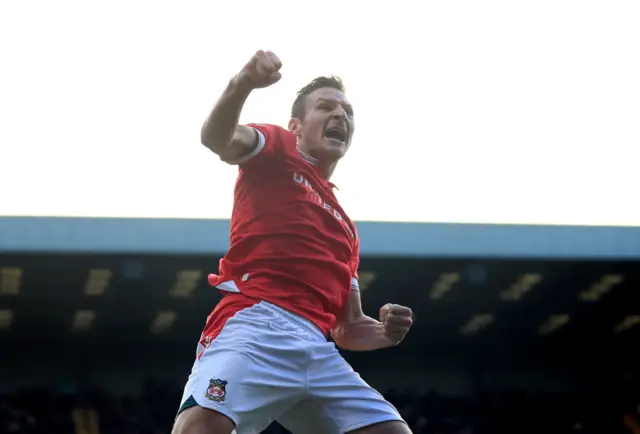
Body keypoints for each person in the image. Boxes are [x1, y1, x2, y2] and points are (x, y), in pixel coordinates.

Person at [172, 50, 415, 434]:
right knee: (200, 427)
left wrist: (384, 332)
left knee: (392, 431)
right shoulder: (278, 148)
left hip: (318, 350)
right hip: (256, 324)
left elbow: (348, 327)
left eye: (347, 112)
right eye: (326, 107)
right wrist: (243, 84)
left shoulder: (346, 229)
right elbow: (216, 138)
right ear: (296, 126)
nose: (341, 116)